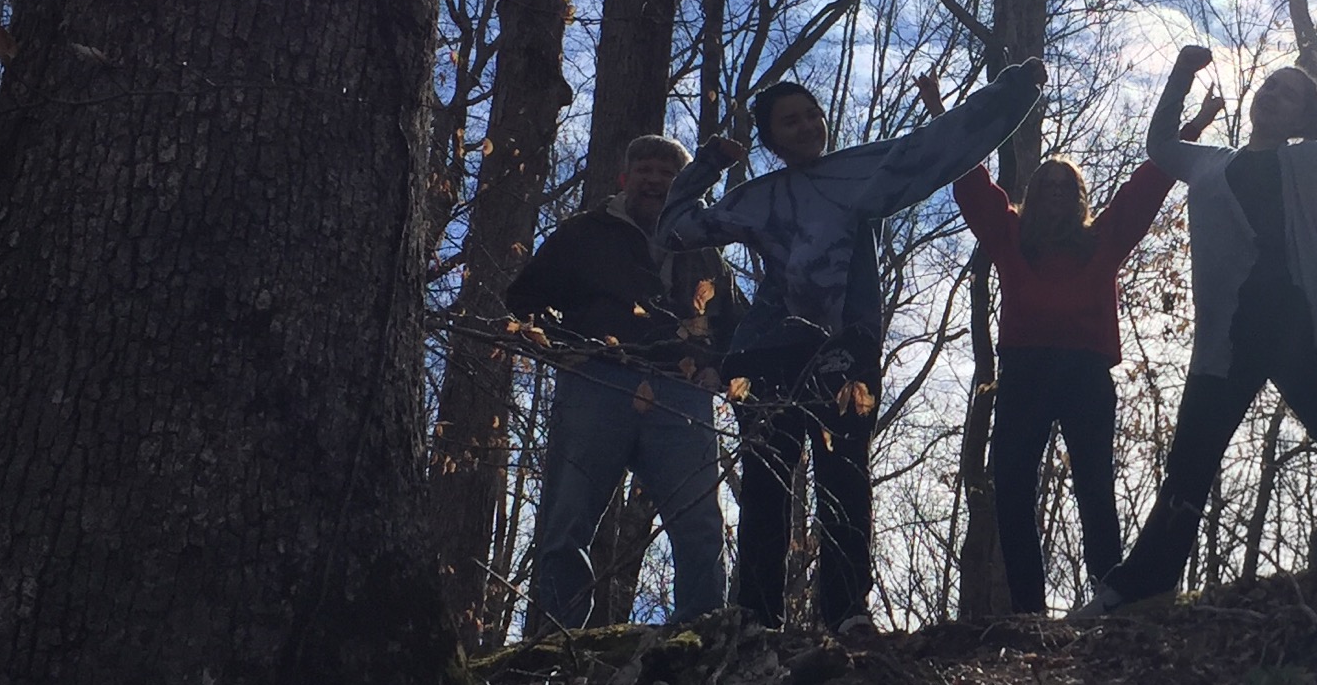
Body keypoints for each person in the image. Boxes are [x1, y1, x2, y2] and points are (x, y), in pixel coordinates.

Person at [662, 59, 1044, 633]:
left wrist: (1013, 90)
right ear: (770, 140)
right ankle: (755, 617)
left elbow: (937, 147)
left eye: (811, 114)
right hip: (764, 354)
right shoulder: (759, 198)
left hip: (845, 348)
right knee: (766, 482)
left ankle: (847, 612)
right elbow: (676, 228)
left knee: (844, 472)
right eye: (789, 121)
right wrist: (708, 164)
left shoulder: (860, 172)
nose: (806, 126)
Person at [1079, 44, 1317, 613]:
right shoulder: (1209, 164)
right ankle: (1141, 586)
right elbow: (1160, 146)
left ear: (1302, 120)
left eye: (1288, 94)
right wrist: (1180, 75)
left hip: (1294, 326)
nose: (1272, 95)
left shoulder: (1310, 161)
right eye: (1270, 86)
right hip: (1228, 336)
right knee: (1190, 459)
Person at [937, 72, 1221, 616]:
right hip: (1024, 372)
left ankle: (1109, 595)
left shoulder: (1102, 239)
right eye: (1046, 186)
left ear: (1078, 199)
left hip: (1085, 373)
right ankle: (1028, 611)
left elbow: (1147, 186)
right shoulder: (1009, 238)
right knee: (1012, 484)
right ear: (1032, 195)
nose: (1055, 194)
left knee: (1094, 481)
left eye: (1065, 187)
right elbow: (970, 180)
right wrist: (940, 111)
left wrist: (1194, 126)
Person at [508, 134, 744, 634]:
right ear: (624, 178)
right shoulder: (585, 233)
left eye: (667, 174)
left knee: (700, 523)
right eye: (646, 171)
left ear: (684, 185)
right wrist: (560, 346)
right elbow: (524, 298)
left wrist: (719, 367)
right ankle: (557, 645)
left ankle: (699, 642)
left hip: (680, 392)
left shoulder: (702, 248)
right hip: (598, 381)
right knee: (568, 521)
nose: (655, 182)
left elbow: (735, 323)